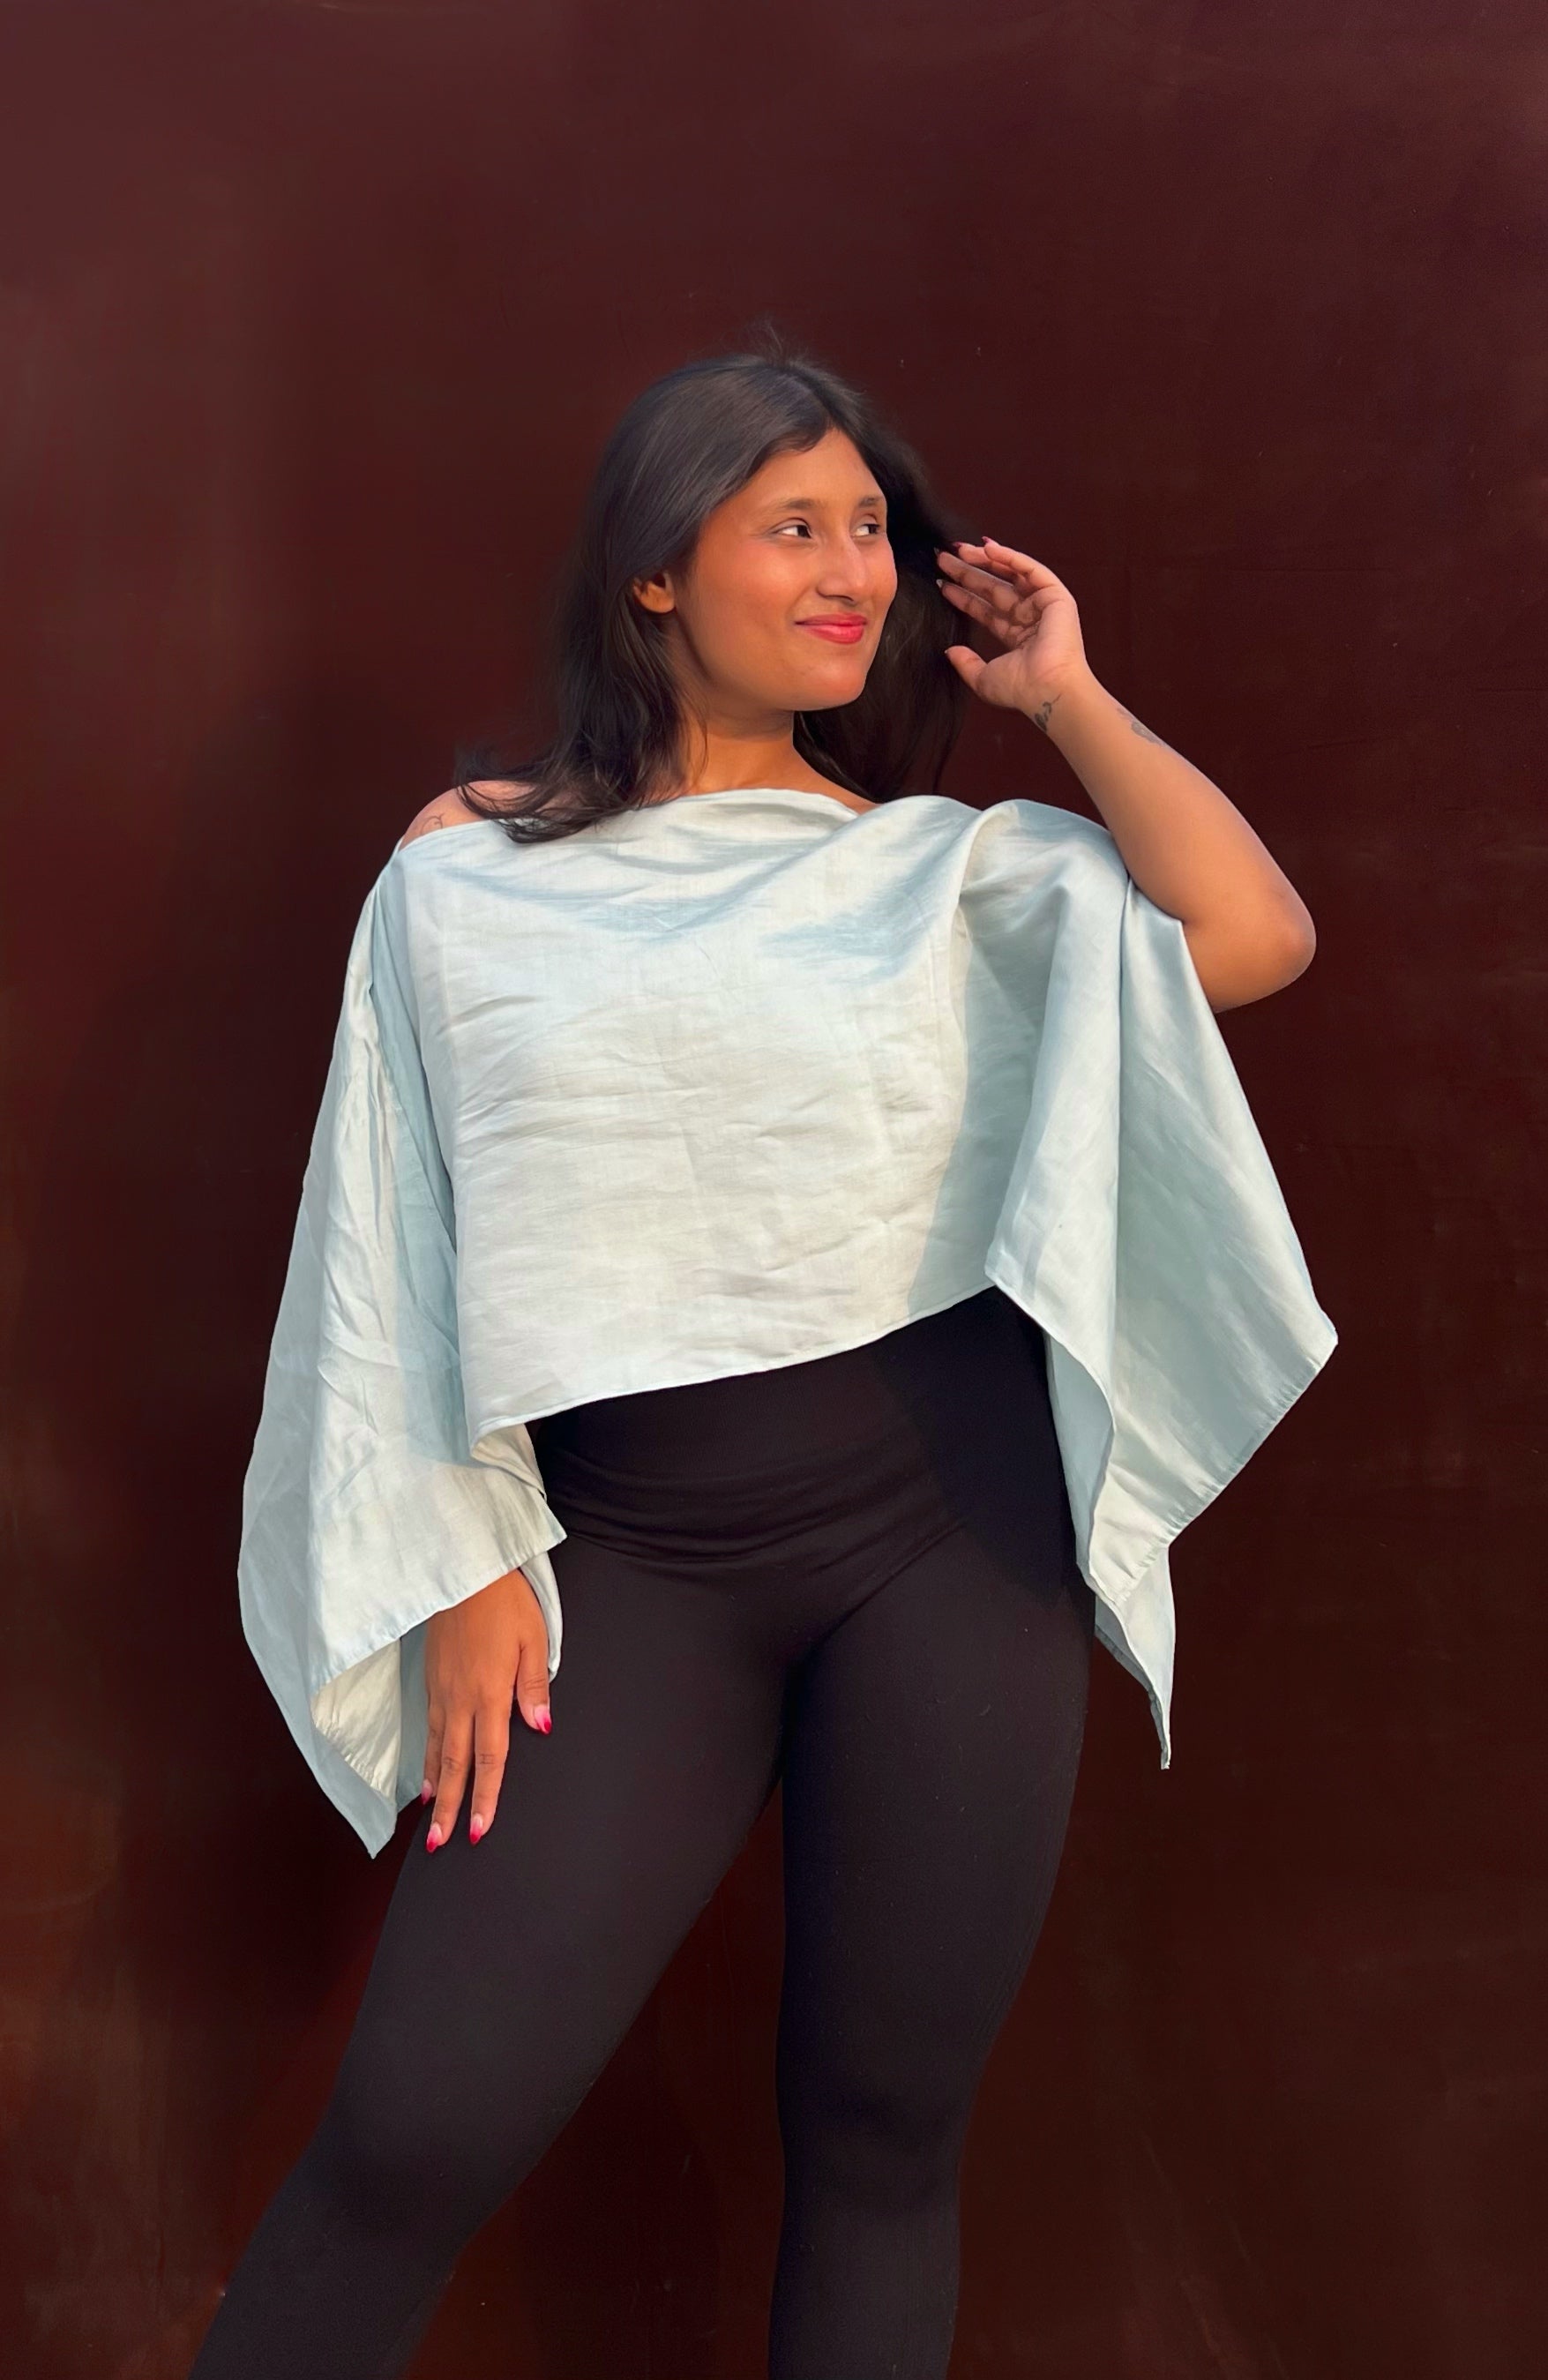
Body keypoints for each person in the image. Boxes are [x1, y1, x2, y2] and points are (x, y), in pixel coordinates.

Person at [189, 341, 1336, 2379]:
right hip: (632, 1557)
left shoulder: (945, 870)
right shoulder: (466, 869)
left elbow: (1249, 934)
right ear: (655, 565)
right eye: (790, 525)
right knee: (413, 2121)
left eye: (868, 530)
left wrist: (1062, 694)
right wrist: (461, 1544)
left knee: (881, 2136)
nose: (849, 571)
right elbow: (391, 1238)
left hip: (951, 1542)